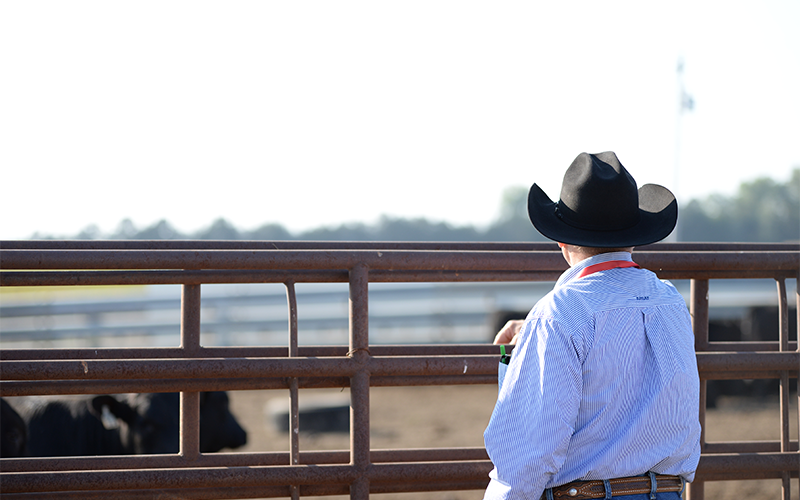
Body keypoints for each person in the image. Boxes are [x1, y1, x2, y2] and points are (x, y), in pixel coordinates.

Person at [483, 152, 701, 500]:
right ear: (634, 236)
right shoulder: (670, 302)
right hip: (666, 491)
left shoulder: (558, 314)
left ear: (562, 242)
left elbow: (527, 454)